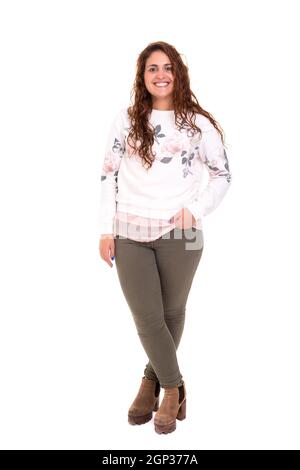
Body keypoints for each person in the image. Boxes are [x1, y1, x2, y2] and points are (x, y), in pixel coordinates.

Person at [98, 41, 232, 435]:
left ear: (178, 74)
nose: (161, 75)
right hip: (129, 229)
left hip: (184, 231)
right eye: (152, 68)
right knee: (148, 317)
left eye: (167, 68)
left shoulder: (197, 122)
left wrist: (197, 208)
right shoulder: (125, 120)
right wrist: (106, 228)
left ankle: (148, 381)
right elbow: (109, 174)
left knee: (171, 314)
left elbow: (222, 173)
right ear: (142, 76)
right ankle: (173, 387)